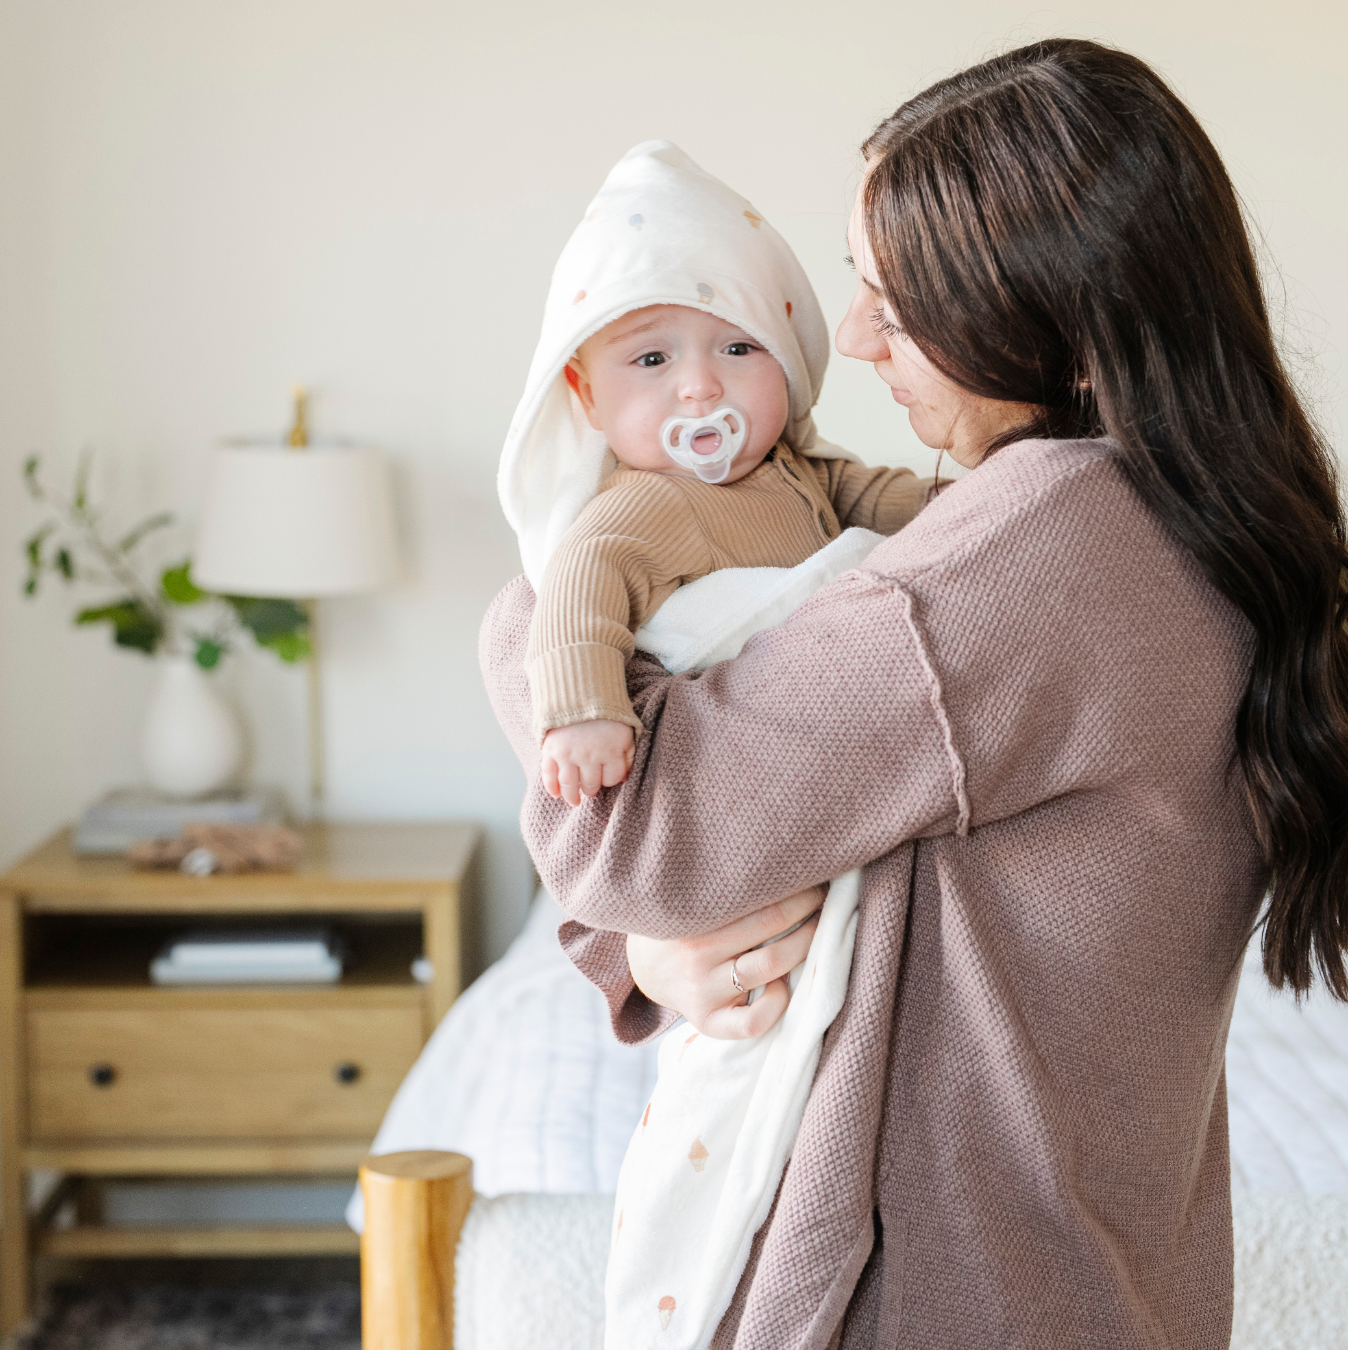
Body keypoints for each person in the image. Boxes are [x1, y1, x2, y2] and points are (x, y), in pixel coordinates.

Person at [482, 37, 1348, 1349]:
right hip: (1103, 1283)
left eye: (898, 301)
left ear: (1048, 313)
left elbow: (632, 833)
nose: (852, 339)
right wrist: (647, 952)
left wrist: (539, 598)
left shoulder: (1031, 553)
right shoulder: (1187, 511)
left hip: (933, 1295)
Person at [499, 141, 929, 805]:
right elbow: (582, 583)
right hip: (749, 762)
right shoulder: (649, 501)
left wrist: (970, 497)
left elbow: (878, 497)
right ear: (587, 397)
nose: (700, 386)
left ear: (786, 362)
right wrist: (583, 711)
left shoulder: (794, 468)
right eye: (651, 360)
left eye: (737, 347)